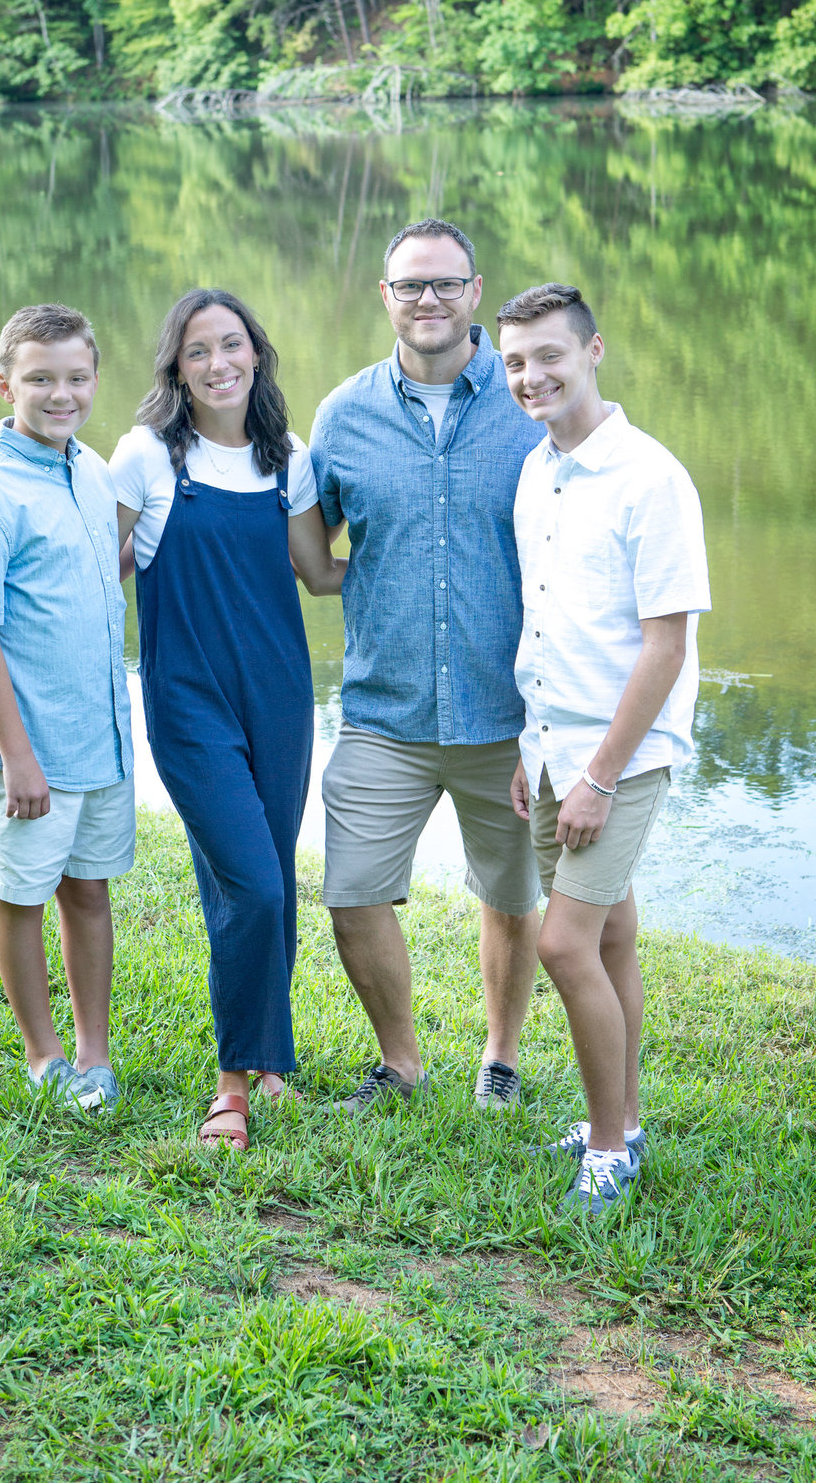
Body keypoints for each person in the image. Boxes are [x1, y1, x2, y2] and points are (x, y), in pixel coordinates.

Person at [309, 218, 546, 1114]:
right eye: (411, 286)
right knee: (352, 892)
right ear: (385, 297)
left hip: (509, 715)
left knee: (513, 896)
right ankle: (401, 1064)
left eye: (446, 283)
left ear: (475, 292)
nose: (429, 301)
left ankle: (501, 1058)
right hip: (385, 710)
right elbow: (306, 548)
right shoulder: (342, 416)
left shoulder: (532, 405)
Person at [110, 288, 343, 1150]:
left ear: (257, 354)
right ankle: (232, 1088)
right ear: (177, 366)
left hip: (280, 698)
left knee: (267, 875)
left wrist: (437, 569)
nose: (218, 364)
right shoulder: (144, 457)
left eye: (232, 345)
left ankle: (273, 1066)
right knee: (250, 879)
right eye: (199, 350)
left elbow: (318, 574)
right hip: (188, 699)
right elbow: (101, 576)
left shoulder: (290, 458)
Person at [498, 282, 710, 1213]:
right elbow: (545, 621)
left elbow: (665, 644)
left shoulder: (649, 477)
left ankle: (610, 1148)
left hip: (616, 759)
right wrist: (527, 747)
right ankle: (617, 1118)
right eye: (512, 361)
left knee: (563, 944)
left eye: (548, 355)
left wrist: (594, 776)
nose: (530, 376)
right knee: (611, 931)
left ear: (593, 351)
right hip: (553, 748)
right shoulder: (536, 469)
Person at [0, 303, 134, 1113]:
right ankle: (43, 1055)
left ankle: (94, 1052)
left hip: (100, 739)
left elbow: (94, 579)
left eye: (77, 377)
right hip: (24, 746)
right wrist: (18, 755)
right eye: (41, 379)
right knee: (21, 894)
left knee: (88, 891)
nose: (62, 393)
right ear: (5, 383)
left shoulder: (90, 468)